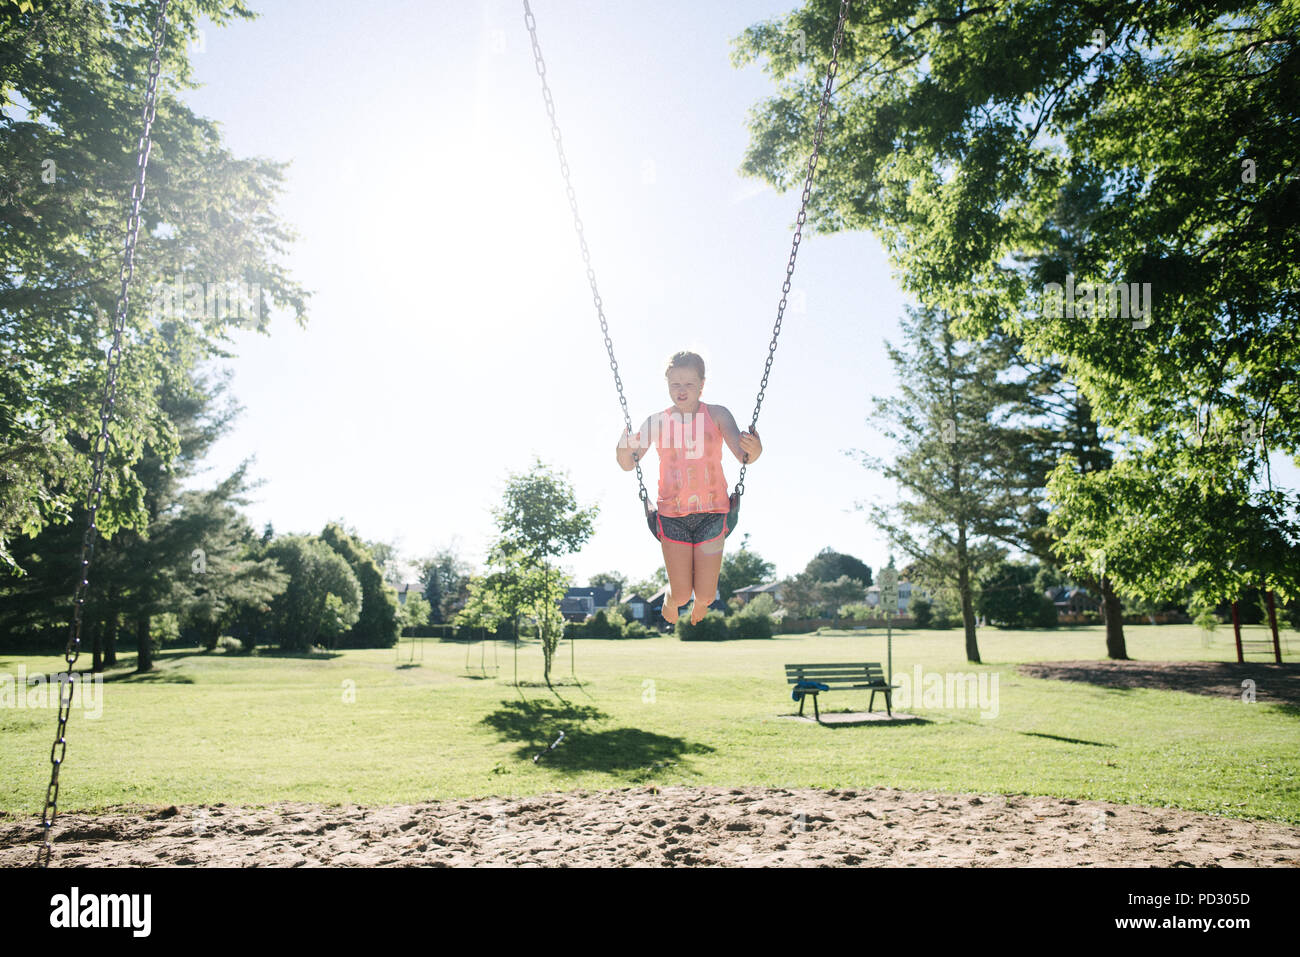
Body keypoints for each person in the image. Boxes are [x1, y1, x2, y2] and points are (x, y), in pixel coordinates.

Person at [615, 351, 762, 625]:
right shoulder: (656, 421)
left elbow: (743, 455)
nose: (681, 391)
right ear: (667, 384)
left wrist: (755, 449)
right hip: (672, 517)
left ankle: (701, 604)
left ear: (702, 385)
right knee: (682, 594)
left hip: (713, 514)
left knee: (706, 595)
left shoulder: (717, 414)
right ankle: (672, 600)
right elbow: (627, 463)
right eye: (675, 384)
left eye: (689, 384)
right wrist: (623, 448)